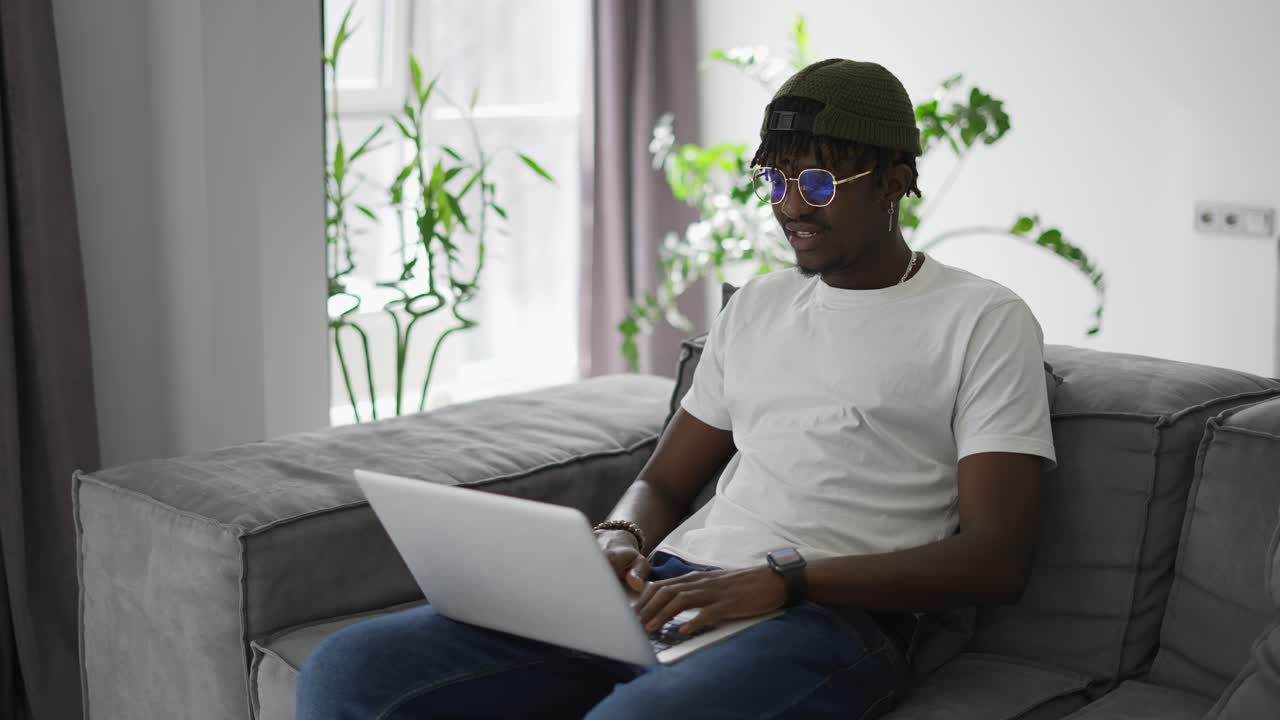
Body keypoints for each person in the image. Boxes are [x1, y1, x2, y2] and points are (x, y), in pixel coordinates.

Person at [296, 58, 1056, 720]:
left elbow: (996, 560)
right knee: (351, 669)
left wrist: (781, 583)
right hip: (669, 590)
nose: (789, 205)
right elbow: (663, 481)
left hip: (831, 621)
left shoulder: (981, 319)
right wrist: (622, 535)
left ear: (896, 182)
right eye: (775, 178)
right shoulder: (758, 305)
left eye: (819, 180)